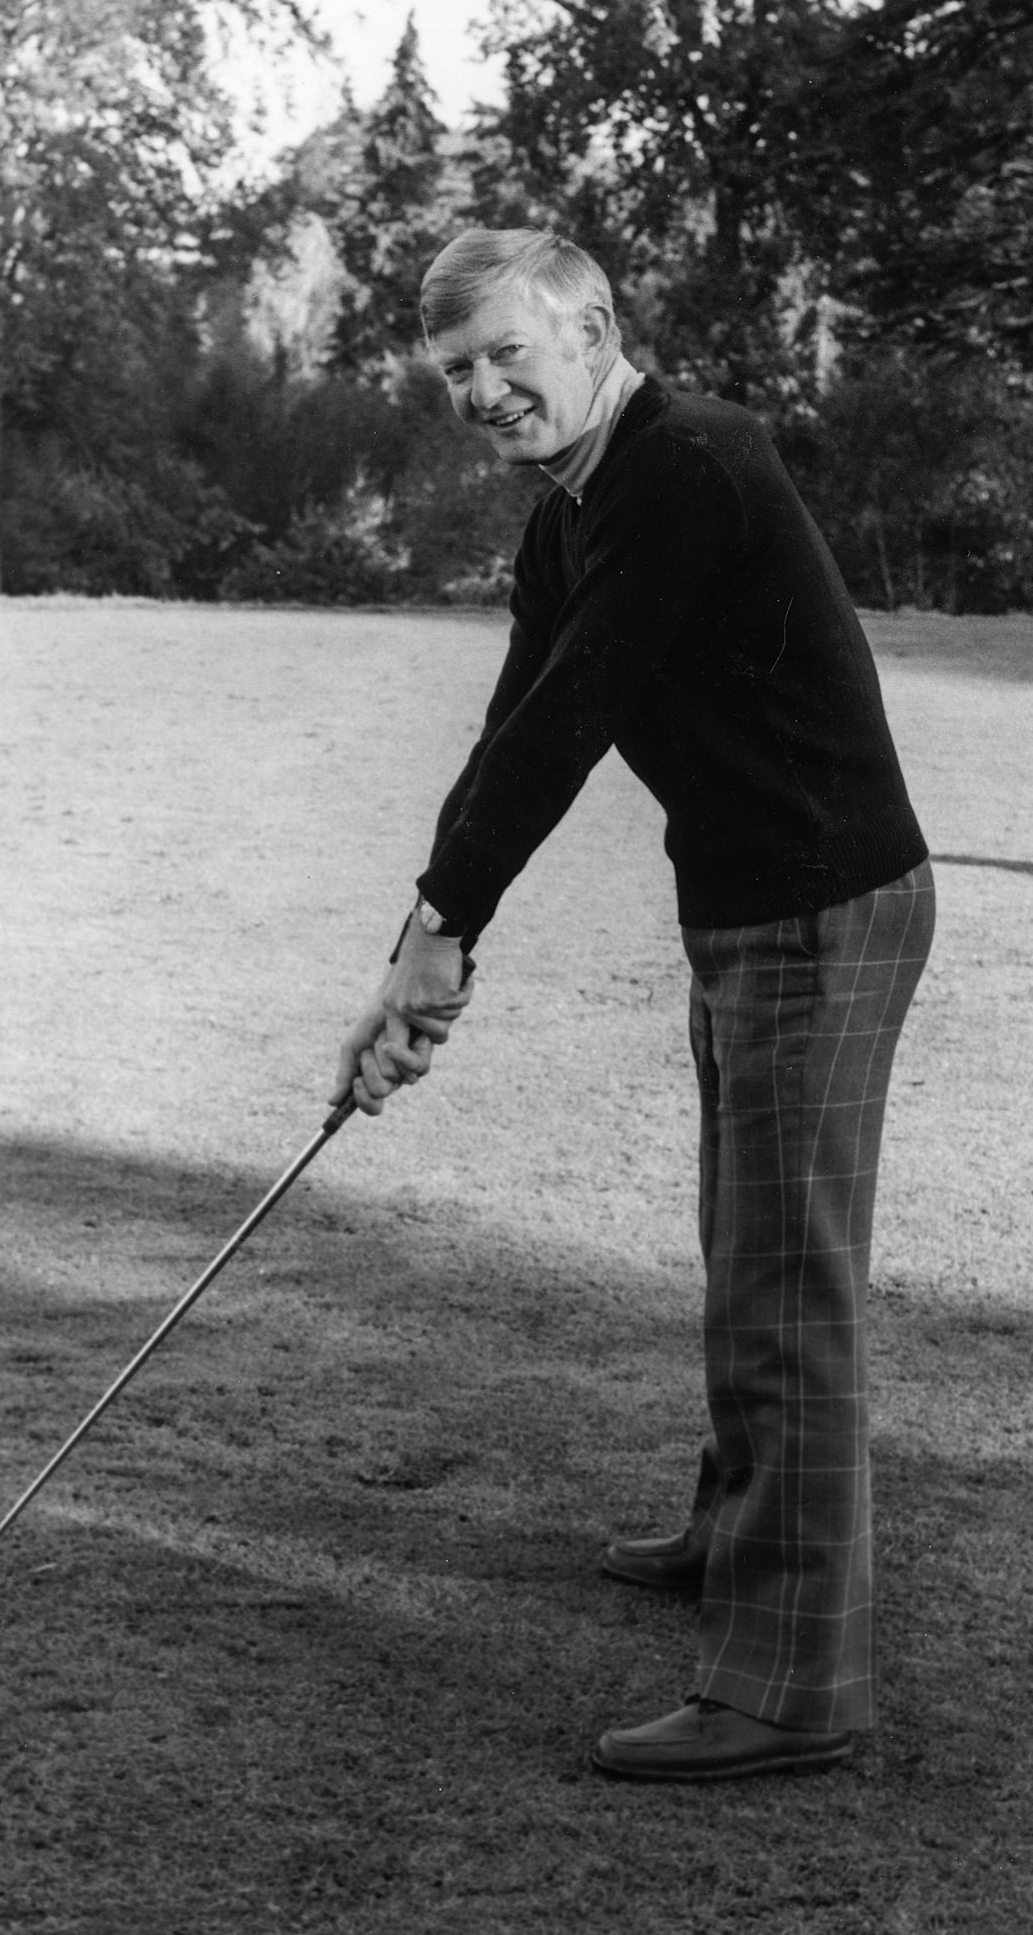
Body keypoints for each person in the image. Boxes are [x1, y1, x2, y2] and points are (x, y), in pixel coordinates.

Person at [332, 227, 934, 1783]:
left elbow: (574, 727)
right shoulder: (578, 505)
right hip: (748, 909)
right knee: (747, 1247)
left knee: (790, 1287)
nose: (481, 390)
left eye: (507, 355)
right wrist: (426, 929)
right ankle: (742, 1528)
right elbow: (513, 724)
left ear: (593, 327)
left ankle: (796, 1684)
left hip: (822, 906)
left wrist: (446, 934)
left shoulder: (688, 466)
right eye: (455, 371)